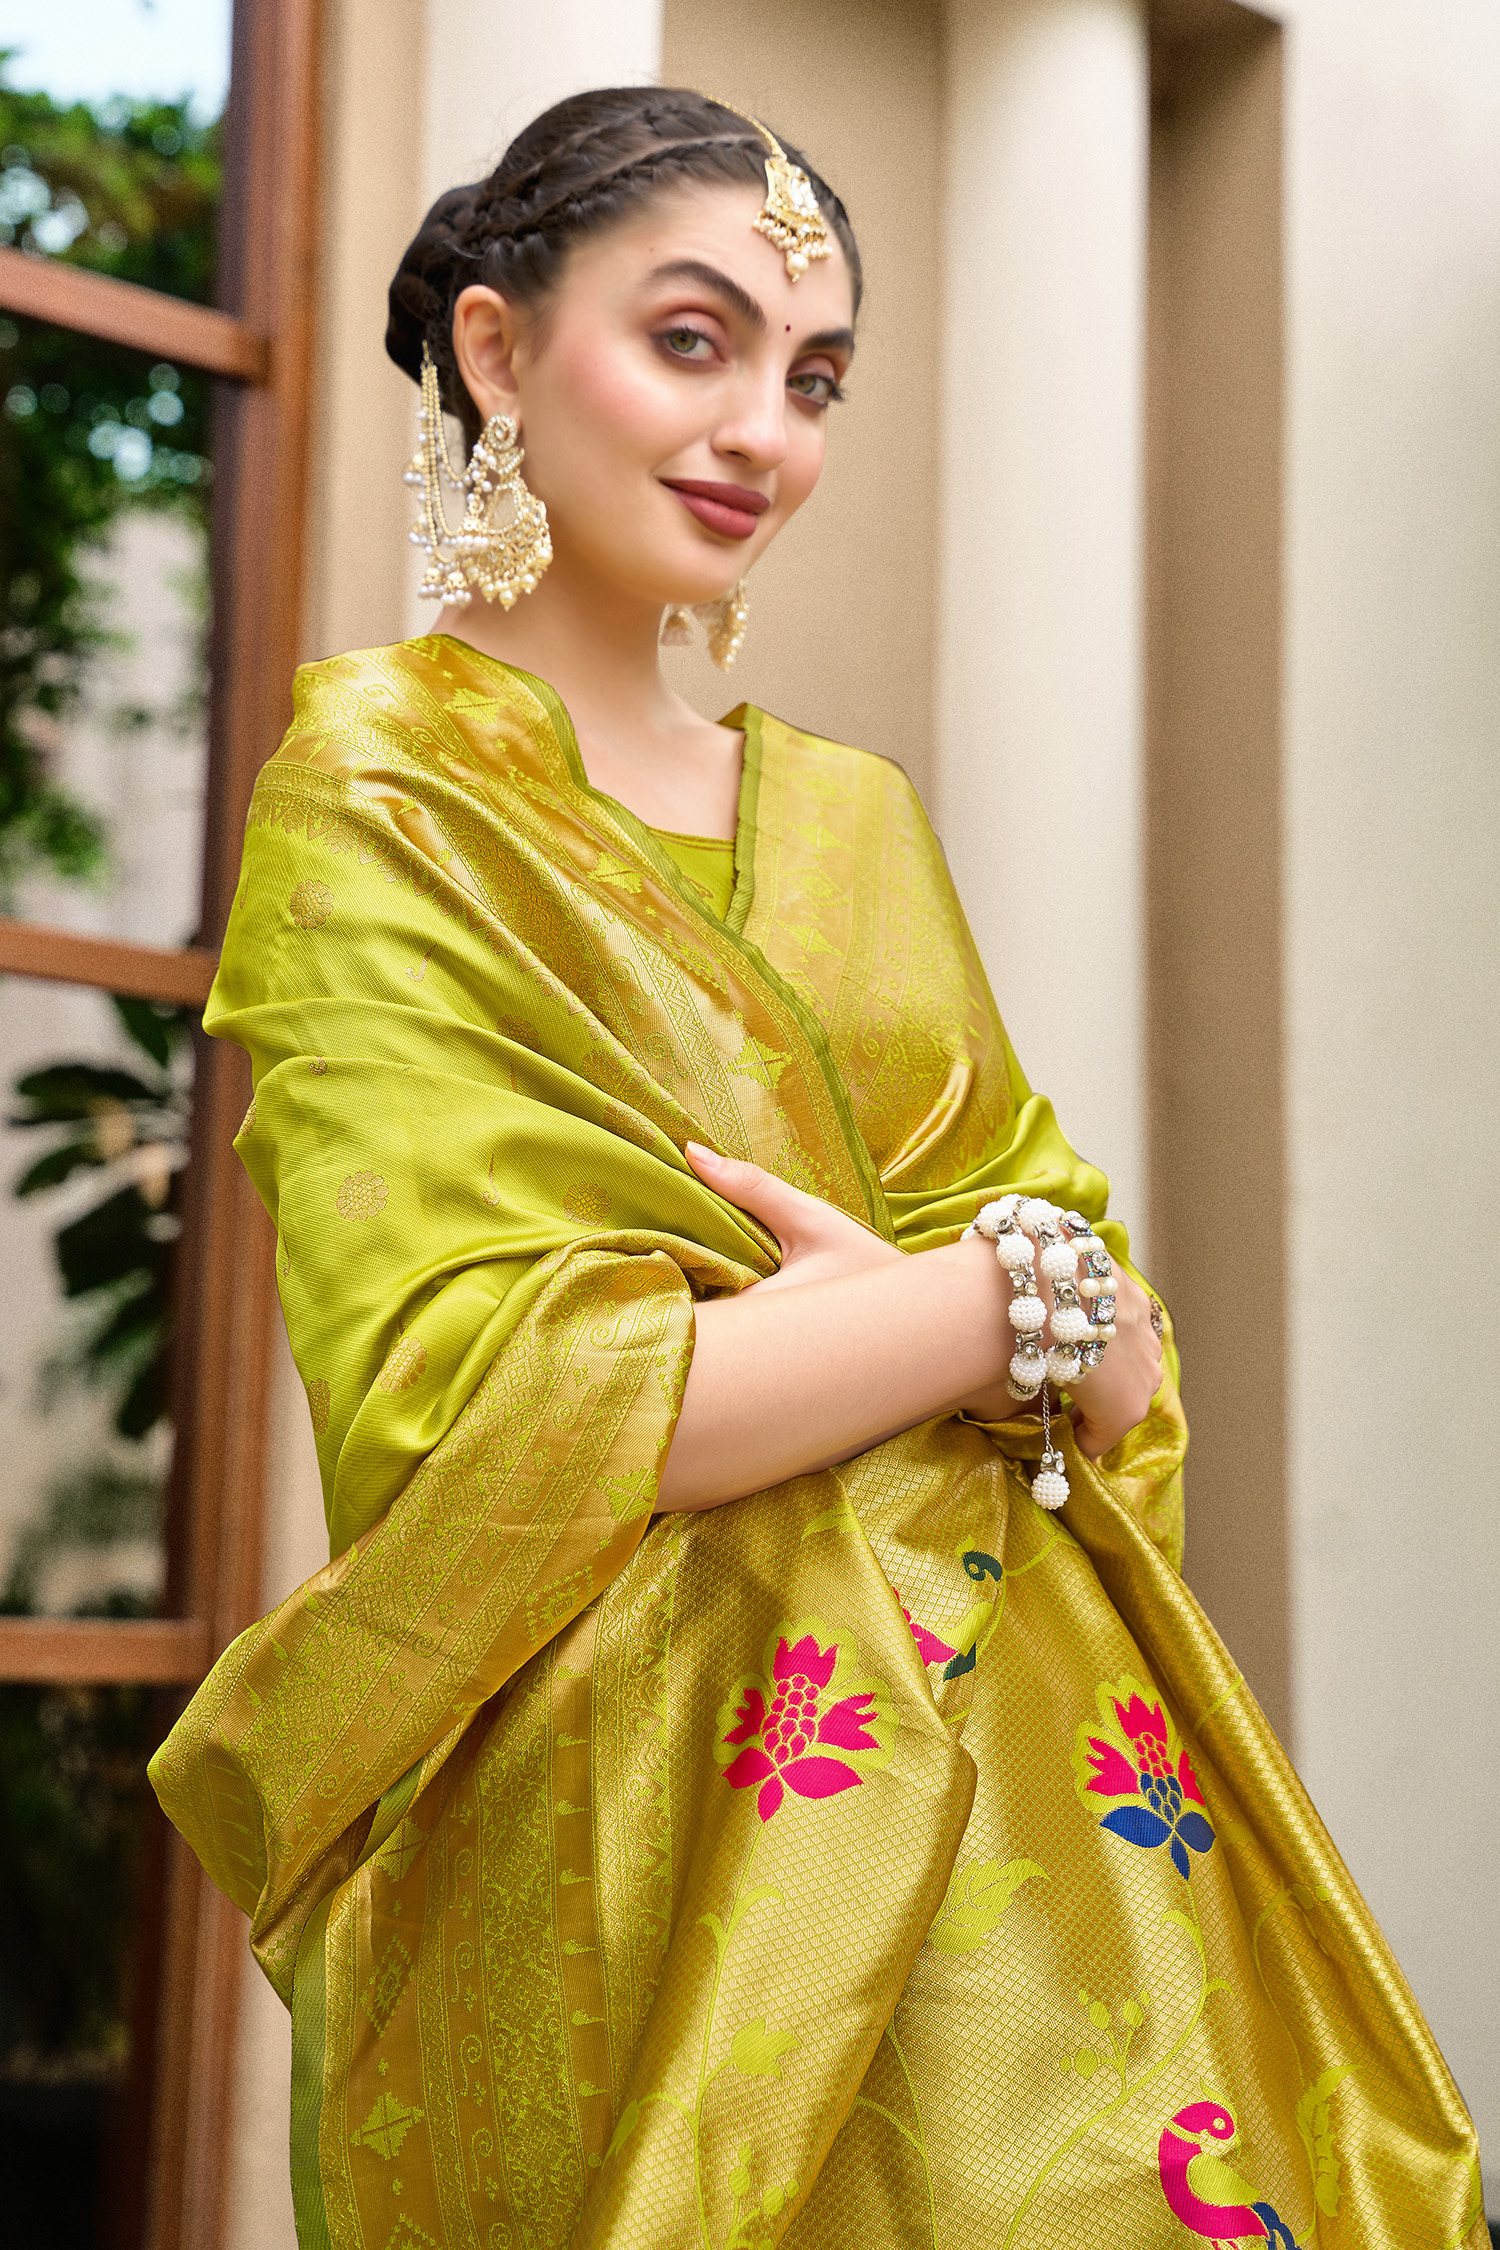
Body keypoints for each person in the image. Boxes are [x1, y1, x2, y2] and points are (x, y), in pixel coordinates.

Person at [150, 87, 1484, 2250]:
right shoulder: (383, 800)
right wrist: (969, 1307)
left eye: (817, 377)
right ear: (498, 351)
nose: (761, 431)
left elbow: (1128, 1365)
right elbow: (507, 1404)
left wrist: (949, 1316)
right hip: (650, 1837)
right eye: (692, 340)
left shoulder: (857, 823)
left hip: (1054, 1858)